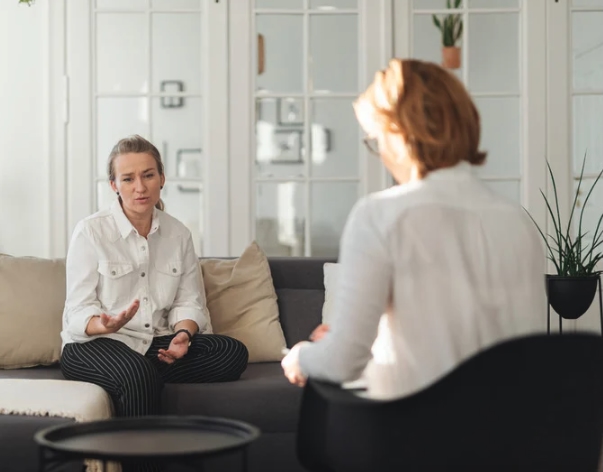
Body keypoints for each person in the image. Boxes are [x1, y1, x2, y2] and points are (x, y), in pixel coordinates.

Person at [282, 59, 546, 399]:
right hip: (517, 441)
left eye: (376, 140)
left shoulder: (379, 215)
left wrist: (302, 356)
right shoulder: (519, 221)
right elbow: (480, 339)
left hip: (419, 436)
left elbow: (341, 362)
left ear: (399, 135)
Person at [60, 135, 249, 418]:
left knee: (231, 352)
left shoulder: (179, 234)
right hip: (95, 345)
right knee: (138, 374)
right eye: (128, 179)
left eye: (148, 175)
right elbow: (77, 311)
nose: (140, 187)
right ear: (114, 185)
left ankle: (137, 379)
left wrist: (183, 335)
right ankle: (145, 453)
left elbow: (189, 301)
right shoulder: (90, 232)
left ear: (162, 178)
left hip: (155, 344)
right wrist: (105, 325)